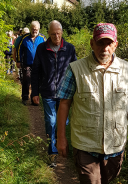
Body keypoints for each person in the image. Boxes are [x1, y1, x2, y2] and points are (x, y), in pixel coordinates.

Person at [57, 23, 128, 184]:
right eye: (100, 43)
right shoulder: (75, 69)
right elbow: (64, 104)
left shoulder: (127, 69)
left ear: (116, 44)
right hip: (85, 145)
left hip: (116, 146)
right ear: (92, 43)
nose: (105, 48)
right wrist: (61, 137)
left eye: (109, 43)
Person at [31, 20, 77, 167]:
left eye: (58, 33)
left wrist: (77, 92)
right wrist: (35, 92)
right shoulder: (41, 48)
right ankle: (52, 153)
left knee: (64, 122)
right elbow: (36, 71)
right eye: (52, 34)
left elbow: (76, 71)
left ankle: (60, 142)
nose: (56, 37)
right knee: (51, 122)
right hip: (48, 92)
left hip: (65, 94)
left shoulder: (69, 49)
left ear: (62, 32)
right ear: (48, 33)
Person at [16, 21, 46, 105]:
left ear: (39, 29)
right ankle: (25, 97)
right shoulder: (24, 38)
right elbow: (19, 49)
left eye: (36, 29)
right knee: (26, 79)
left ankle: (34, 99)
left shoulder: (43, 38)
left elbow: (47, 50)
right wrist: (18, 61)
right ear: (30, 29)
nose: (34, 31)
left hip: (39, 64)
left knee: (37, 81)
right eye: (32, 29)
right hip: (27, 63)